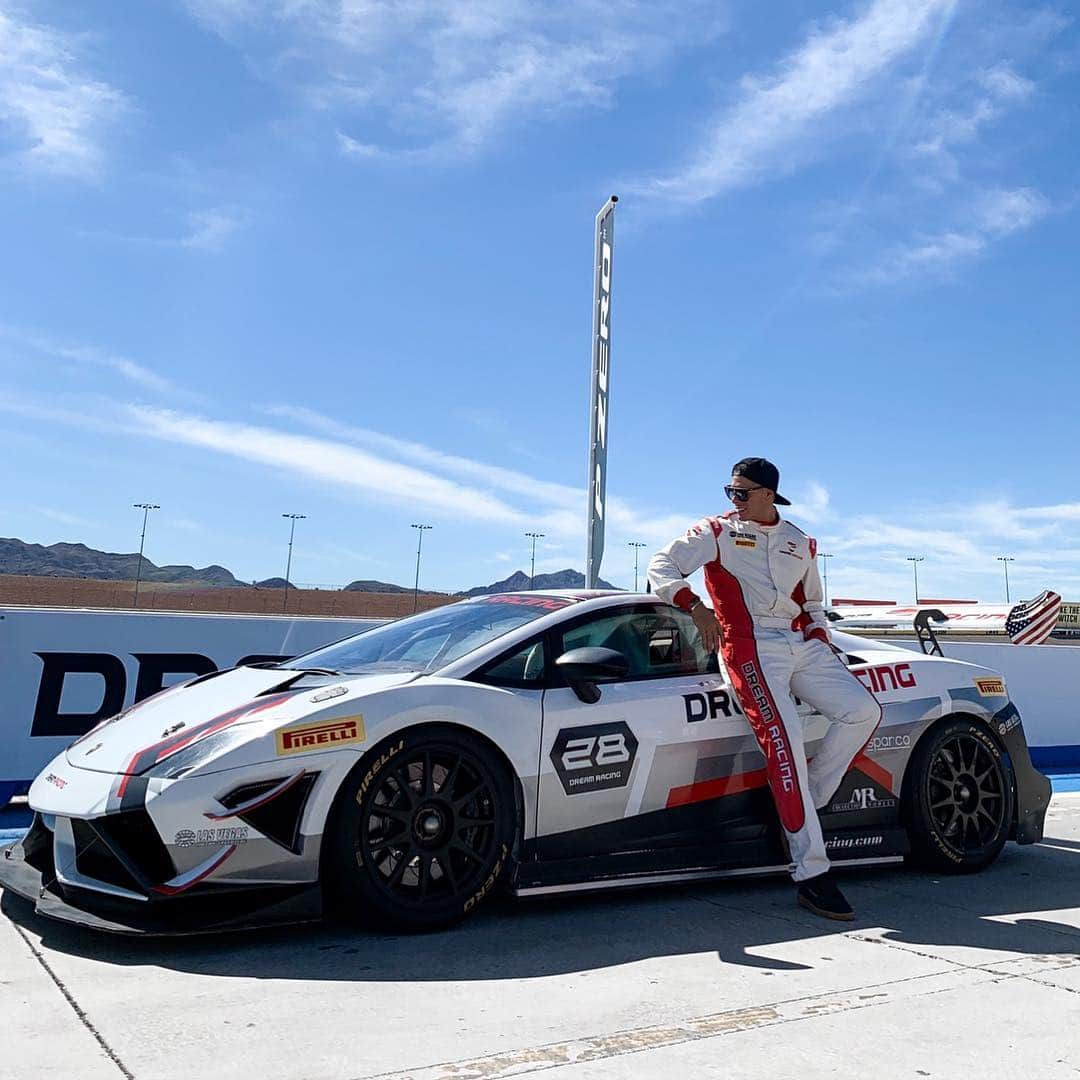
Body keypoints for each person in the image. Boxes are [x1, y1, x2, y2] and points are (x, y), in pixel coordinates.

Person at [647, 457, 881, 920]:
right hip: (747, 647)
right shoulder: (716, 531)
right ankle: (812, 873)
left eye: (741, 492)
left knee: (863, 712)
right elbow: (662, 565)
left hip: (800, 645)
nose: (732, 500)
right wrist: (695, 607)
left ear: (768, 495)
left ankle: (806, 801)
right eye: (729, 491)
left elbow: (812, 602)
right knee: (786, 746)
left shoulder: (801, 541)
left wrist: (818, 637)